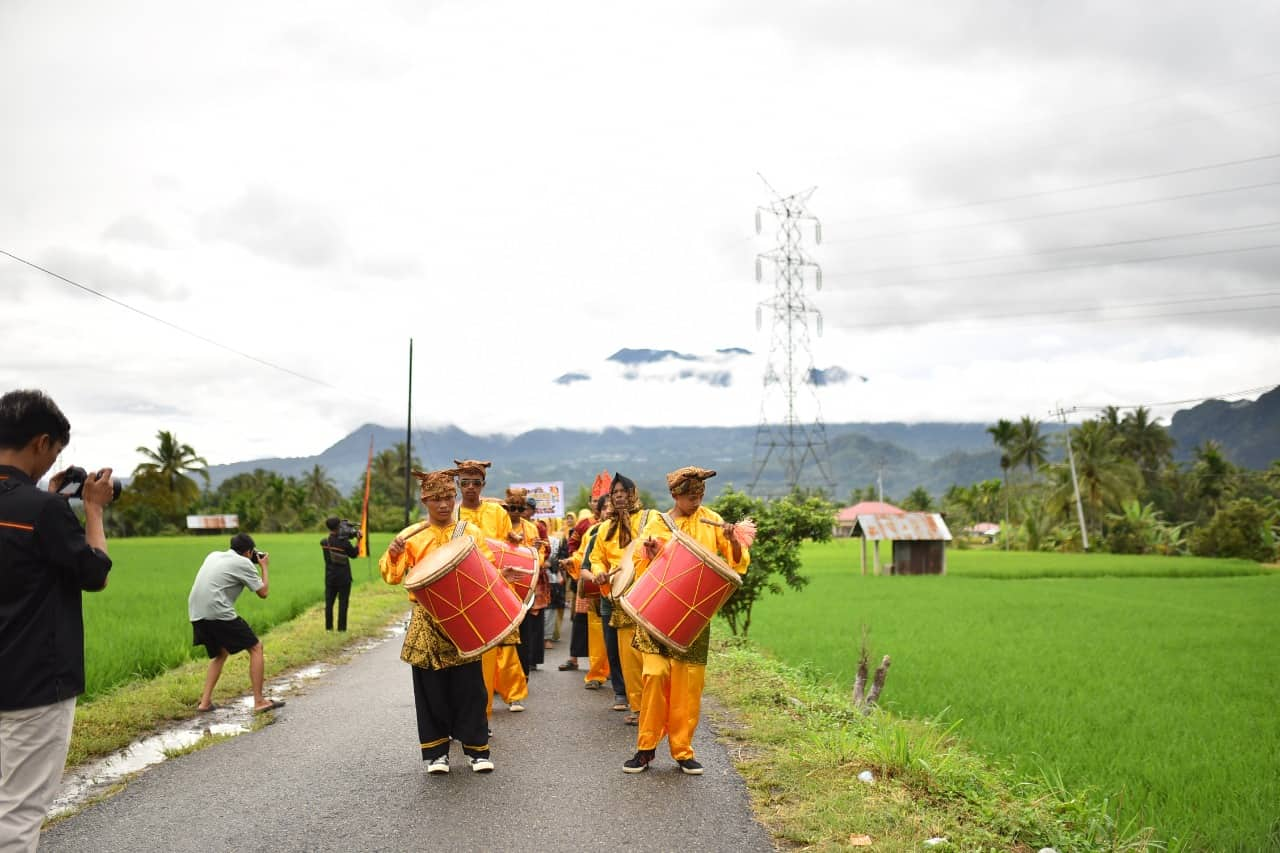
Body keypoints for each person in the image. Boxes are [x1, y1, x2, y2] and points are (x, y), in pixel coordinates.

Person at [0, 389, 114, 852]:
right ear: (42, 442)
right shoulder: (43, 511)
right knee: (17, 813)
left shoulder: (36, 506)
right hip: (33, 685)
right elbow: (95, 572)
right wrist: (92, 509)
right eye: (55, 453)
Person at [624, 466, 749, 775]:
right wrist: (651, 551)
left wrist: (732, 540)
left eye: (699, 495)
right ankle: (645, 747)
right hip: (657, 611)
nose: (696, 500)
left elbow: (736, 563)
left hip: (693, 615)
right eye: (690, 496)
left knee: (688, 683)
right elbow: (640, 561)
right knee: (654, 674)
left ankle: (682, 750)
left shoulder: (714, 521)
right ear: (675, 495)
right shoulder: (658, 522)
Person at [380, 469, 494, 774]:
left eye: (447, 498)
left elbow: (488, 568)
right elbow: (392, 576)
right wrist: (393, 555)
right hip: (427, 619)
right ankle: (436, 753)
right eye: (436, 499)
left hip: (463, 618)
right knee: (431, 688)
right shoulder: (411, 536)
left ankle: (477, 751)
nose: (443, 505)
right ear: (425, 501)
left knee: (470, 687)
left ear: (454, 498)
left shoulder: (471, 532)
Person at [592, 473, 668, 724]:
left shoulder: (651, 518)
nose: (619, 495)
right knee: (629, 657)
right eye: (615, 492)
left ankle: (658, 705)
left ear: (634, 493)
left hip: (648, 594)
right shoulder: (604, 528)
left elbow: (666, 545)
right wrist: (600, 574)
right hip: (620, 597)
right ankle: (638, 708)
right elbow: (596, 560)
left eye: (624, 491)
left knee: (653, 657)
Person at [452, 460, 526, 717]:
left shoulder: (498, 513)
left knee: (504, 644)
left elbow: (508, 545)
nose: (470, 488)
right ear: (458, 485)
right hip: (466, 589)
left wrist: (515, 538)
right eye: (465, 483)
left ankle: (513, 693)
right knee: (471, 652)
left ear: (483, 485)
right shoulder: (454, 515)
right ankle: (477, 713)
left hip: (497, 583)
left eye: (476, 483)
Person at [188, 532, 284, 715]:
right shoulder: (244, 563)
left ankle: (205, 703)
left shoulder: (214, 555)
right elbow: (263, 592)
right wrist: (264, 566)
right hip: (217, 611)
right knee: (256, 647)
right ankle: (259, 701)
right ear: (249, 551)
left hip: (196, 613)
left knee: (220, 653)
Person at [320, 516, 359, 631]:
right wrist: (358, 540)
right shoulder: (344, 543)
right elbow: (354, 554)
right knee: (343, 604)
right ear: (339, 527)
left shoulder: (324, 542)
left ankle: (329, 628)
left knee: (329, 604)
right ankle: (341, 629)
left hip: (330, 577)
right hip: (344, 578)